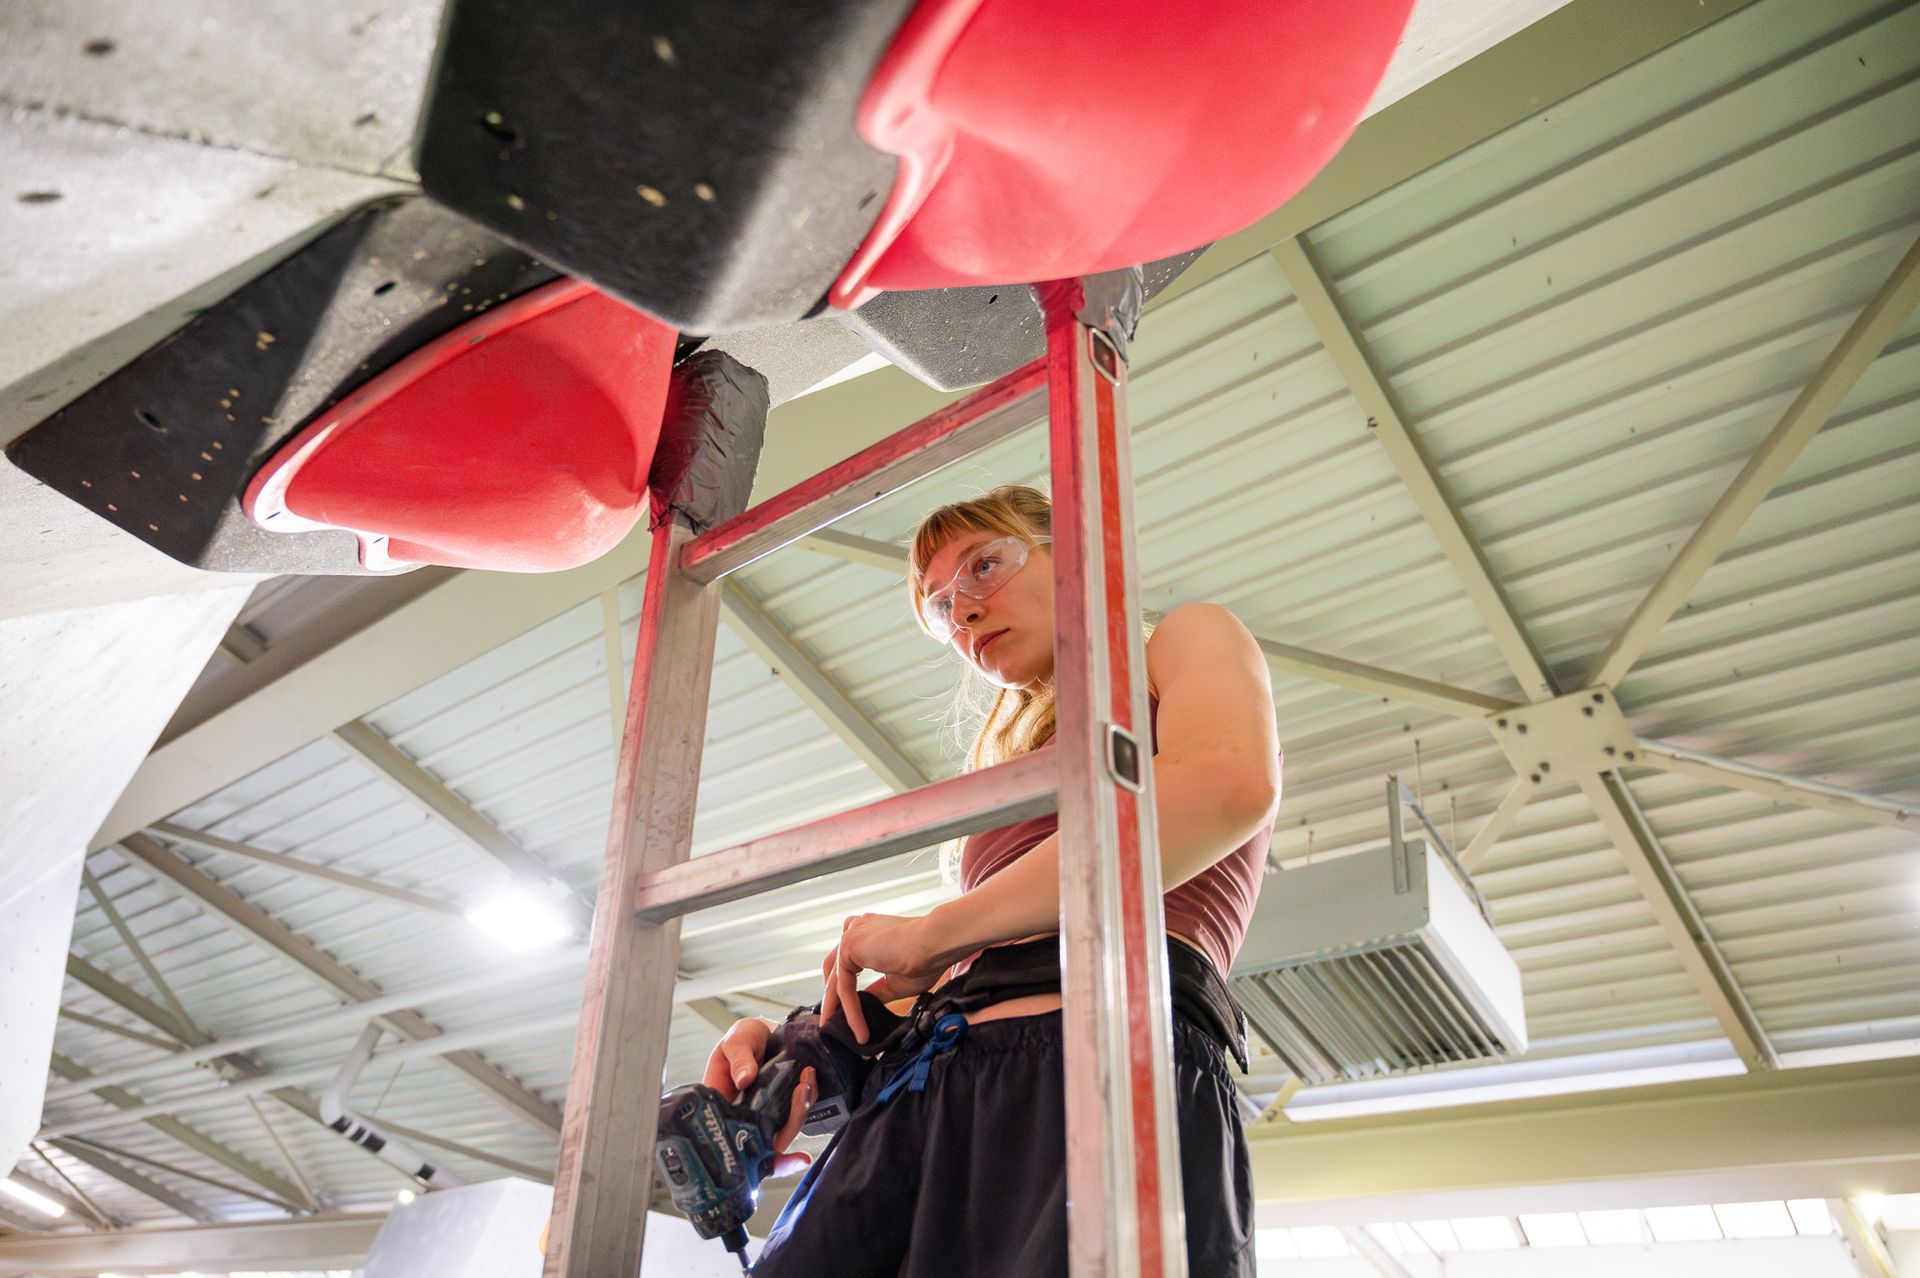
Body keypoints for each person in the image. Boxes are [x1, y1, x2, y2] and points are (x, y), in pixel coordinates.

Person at [702, 483, 1282, 1276]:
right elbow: (966, 970)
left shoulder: (1183, 642)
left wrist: (932, 934)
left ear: (1073, 555)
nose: (964, 611)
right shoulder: (1012, 777)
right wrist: (781, 1046)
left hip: (1099, 1063)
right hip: (930, 1085)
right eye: (941, 605)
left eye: (984, 566)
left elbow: (1227, 783)